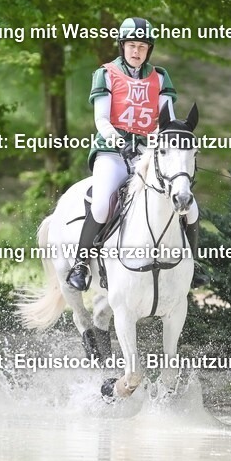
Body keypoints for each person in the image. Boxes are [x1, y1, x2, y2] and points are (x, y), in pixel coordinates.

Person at [66, 17, 200, 291]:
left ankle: (193, 265)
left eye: (142, 46)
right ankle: (81, 263)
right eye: (131, 45)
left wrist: (166, 146)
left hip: (148, 154)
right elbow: (102, 120)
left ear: (148, 49)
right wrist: (119, 142)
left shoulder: (160, 77)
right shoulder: (105, 73)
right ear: (122, 46)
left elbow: (167, 122)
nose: (136, 51)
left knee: (189, 206)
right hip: (111, 153)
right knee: (102, 203)